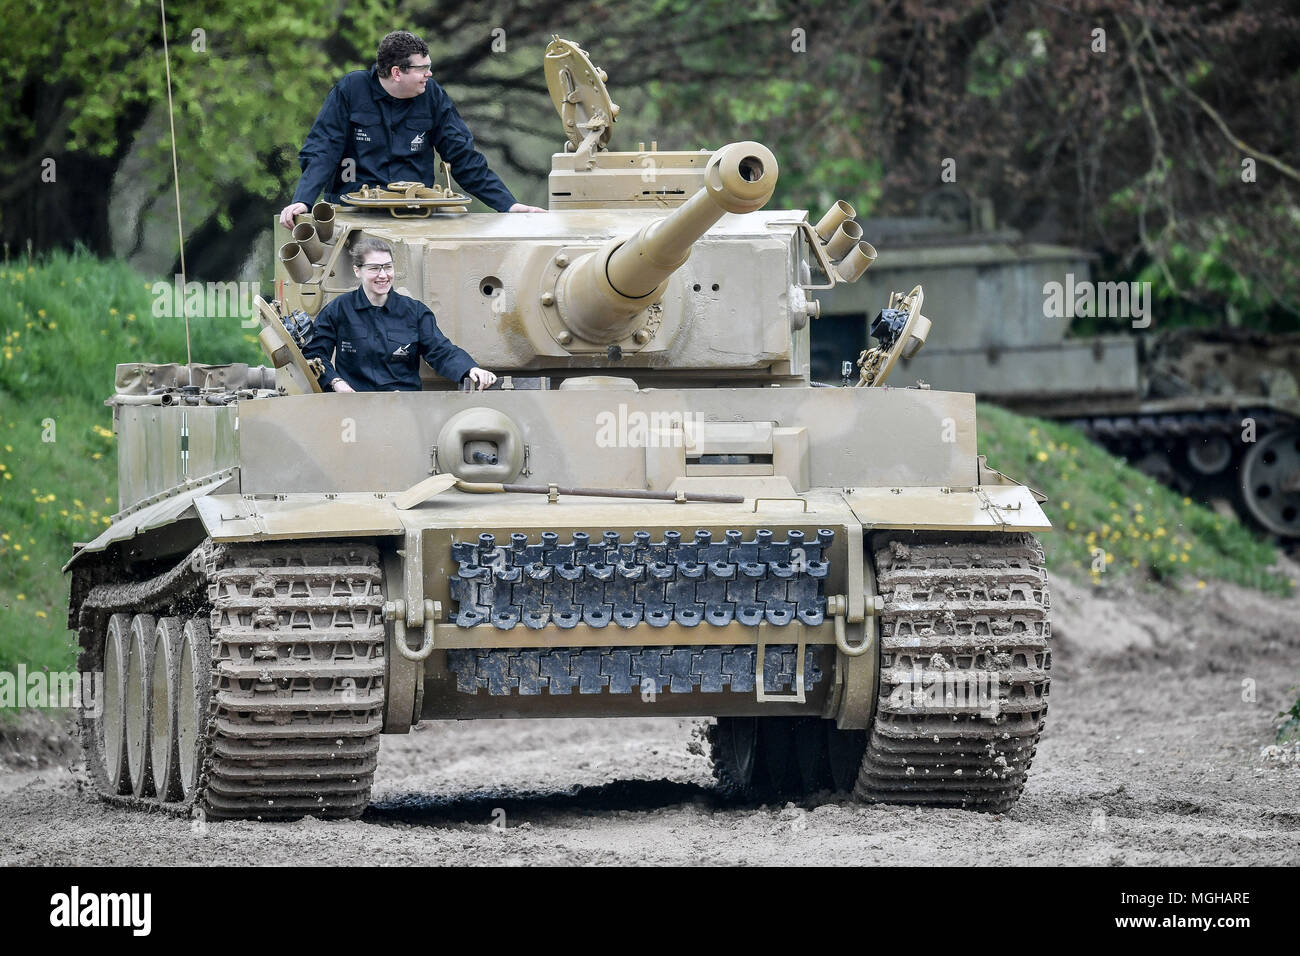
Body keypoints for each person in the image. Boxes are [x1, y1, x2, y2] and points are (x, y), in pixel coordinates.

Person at [279, 30, 543, 229]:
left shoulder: (432, 96)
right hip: (355, 217)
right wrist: (304, 200)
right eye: (423, 68)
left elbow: (462, 157)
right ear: (397, 72)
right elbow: (323, 149)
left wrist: (508, 204)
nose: (429, 74)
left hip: (417, 217)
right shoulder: (351, 90)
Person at [303, 237, 496, 392]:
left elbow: (440, 351)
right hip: (353, 407)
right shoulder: (338, 310)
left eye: (388, 267)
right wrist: (336, 383)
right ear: (357, 271)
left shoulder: (415, 312)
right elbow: (315, 354)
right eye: (374, 268)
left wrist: (470, 369)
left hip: (405, 408)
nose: (383, 275)